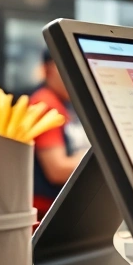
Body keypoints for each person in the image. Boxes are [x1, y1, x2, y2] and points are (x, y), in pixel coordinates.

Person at [32, 50, 89, 219]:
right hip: (45, 214)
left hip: (62, 207)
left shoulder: (67, 103)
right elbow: (57, 169)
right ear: (48, 69)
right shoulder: (44, 104)